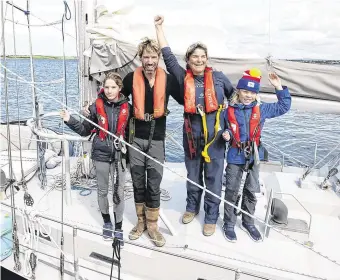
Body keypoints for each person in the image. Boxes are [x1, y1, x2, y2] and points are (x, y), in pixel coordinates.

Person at [154, 15, 234, 236]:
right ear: (188, 60)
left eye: (202, 56)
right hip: (191, 134)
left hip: (215, 137)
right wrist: (159, 28)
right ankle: (191, 207)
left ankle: (210, 216)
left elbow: (235, 99)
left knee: (214, 177)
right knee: (192, 174)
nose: (199, 60)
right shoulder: (182, 77)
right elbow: (168, 57)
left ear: (207, 59)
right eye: (194, 57)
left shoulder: (219, 78)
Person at [121, 38, 183, 247]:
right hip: (135, 140)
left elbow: (186, 100)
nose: (149, 61)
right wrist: (93, 108)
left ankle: (153, 226)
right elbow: (117, 100)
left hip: (157, 140)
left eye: (153, 57)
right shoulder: (131, 78)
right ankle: (140, 223)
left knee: (153, 184)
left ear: (158, 59)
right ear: (141, 58)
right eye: (146, 56)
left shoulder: (168, 80)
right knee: (138, 183)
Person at [60, 72, 131, 246]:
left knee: (119, 192)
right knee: (102, 190)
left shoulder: (128, 107)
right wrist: (69, 120)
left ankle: (119, 227)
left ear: (119, 88)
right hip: (100, 154)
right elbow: (85, 130)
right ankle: (107, 221)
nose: (109, 90)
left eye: (113, 87)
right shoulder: (94, 107)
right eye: (106, 87)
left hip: (119, 155)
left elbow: (132, 133)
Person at [222, 69, 291, 242]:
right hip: (234, 155)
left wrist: (279, 87)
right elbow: (221, 128)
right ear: (239, 91)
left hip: (254, 157)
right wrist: (226, 133)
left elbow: (284, 107)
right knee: (231, 190)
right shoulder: (227, 110)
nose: (248, 95)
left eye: (253, 92)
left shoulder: (263, 109)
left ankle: (248, 221)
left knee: (251, 191)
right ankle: (229, 224)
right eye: (245, 91)